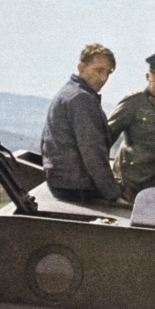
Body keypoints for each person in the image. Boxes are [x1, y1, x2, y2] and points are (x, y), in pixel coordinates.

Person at [41, 43, 122, 204]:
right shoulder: (81, 98)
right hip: (76, 189)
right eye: (99, 70)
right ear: (81, 67)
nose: (103, 78)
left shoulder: (69, 92)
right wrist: (114, 194)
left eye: (108, 73)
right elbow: (92, 152)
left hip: (64, 184)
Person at [107, 50, 155, 201]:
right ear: (148, 77)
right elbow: (104, 139)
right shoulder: (133, 102)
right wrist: (107, 181)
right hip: (131, 182)